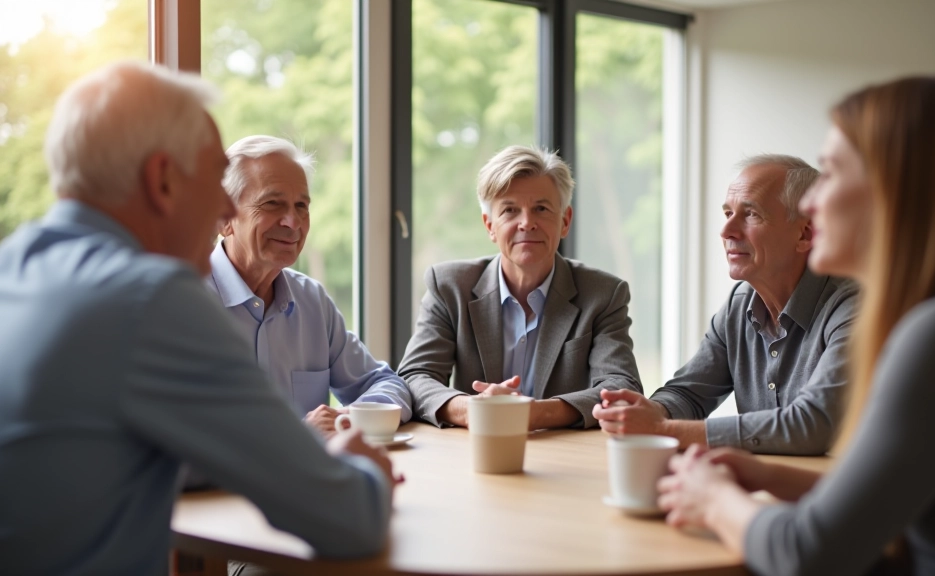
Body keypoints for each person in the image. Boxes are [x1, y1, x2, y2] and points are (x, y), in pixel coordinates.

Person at [0, 62, 396, 575]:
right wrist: (362, 465)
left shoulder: (15, 265)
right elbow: (350, 518)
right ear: (163, 180)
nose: (223, 205)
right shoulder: (149, 299)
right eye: (214, 177)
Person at [657, 77, 935, 576]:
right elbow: (897, 498)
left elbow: (808, 555)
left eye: (830, 173)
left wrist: (714, 499)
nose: (810, 204)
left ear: (897, 188)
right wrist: (768, 474)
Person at [594, 155, 857, 455]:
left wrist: (662, 429)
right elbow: (689, 393)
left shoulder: (852, 308)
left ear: (805, 234)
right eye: (728, 213)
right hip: (760, 486)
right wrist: (651, 411)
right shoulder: (740, 303)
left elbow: (813, 425)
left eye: (751, 214)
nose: (726, 231)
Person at [398, 145, 643, 430]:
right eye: (510, 210)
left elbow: (622, 387)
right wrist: (471, 410)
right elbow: (414, 377)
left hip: (565, 455)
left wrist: (534, 414)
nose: (527, 223)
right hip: (473, 451)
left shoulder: (603, 295)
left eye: (541, 208)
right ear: (490, 225)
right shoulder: (450, 287)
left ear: (564, 221)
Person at [210, 135, 411, 436]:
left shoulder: (311, 301)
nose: (293, 221)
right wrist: (295, 437)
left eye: (302, 205)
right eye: (272, 204)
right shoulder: (182, 303)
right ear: (224, 218)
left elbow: (387, 385)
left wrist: (349, 418)